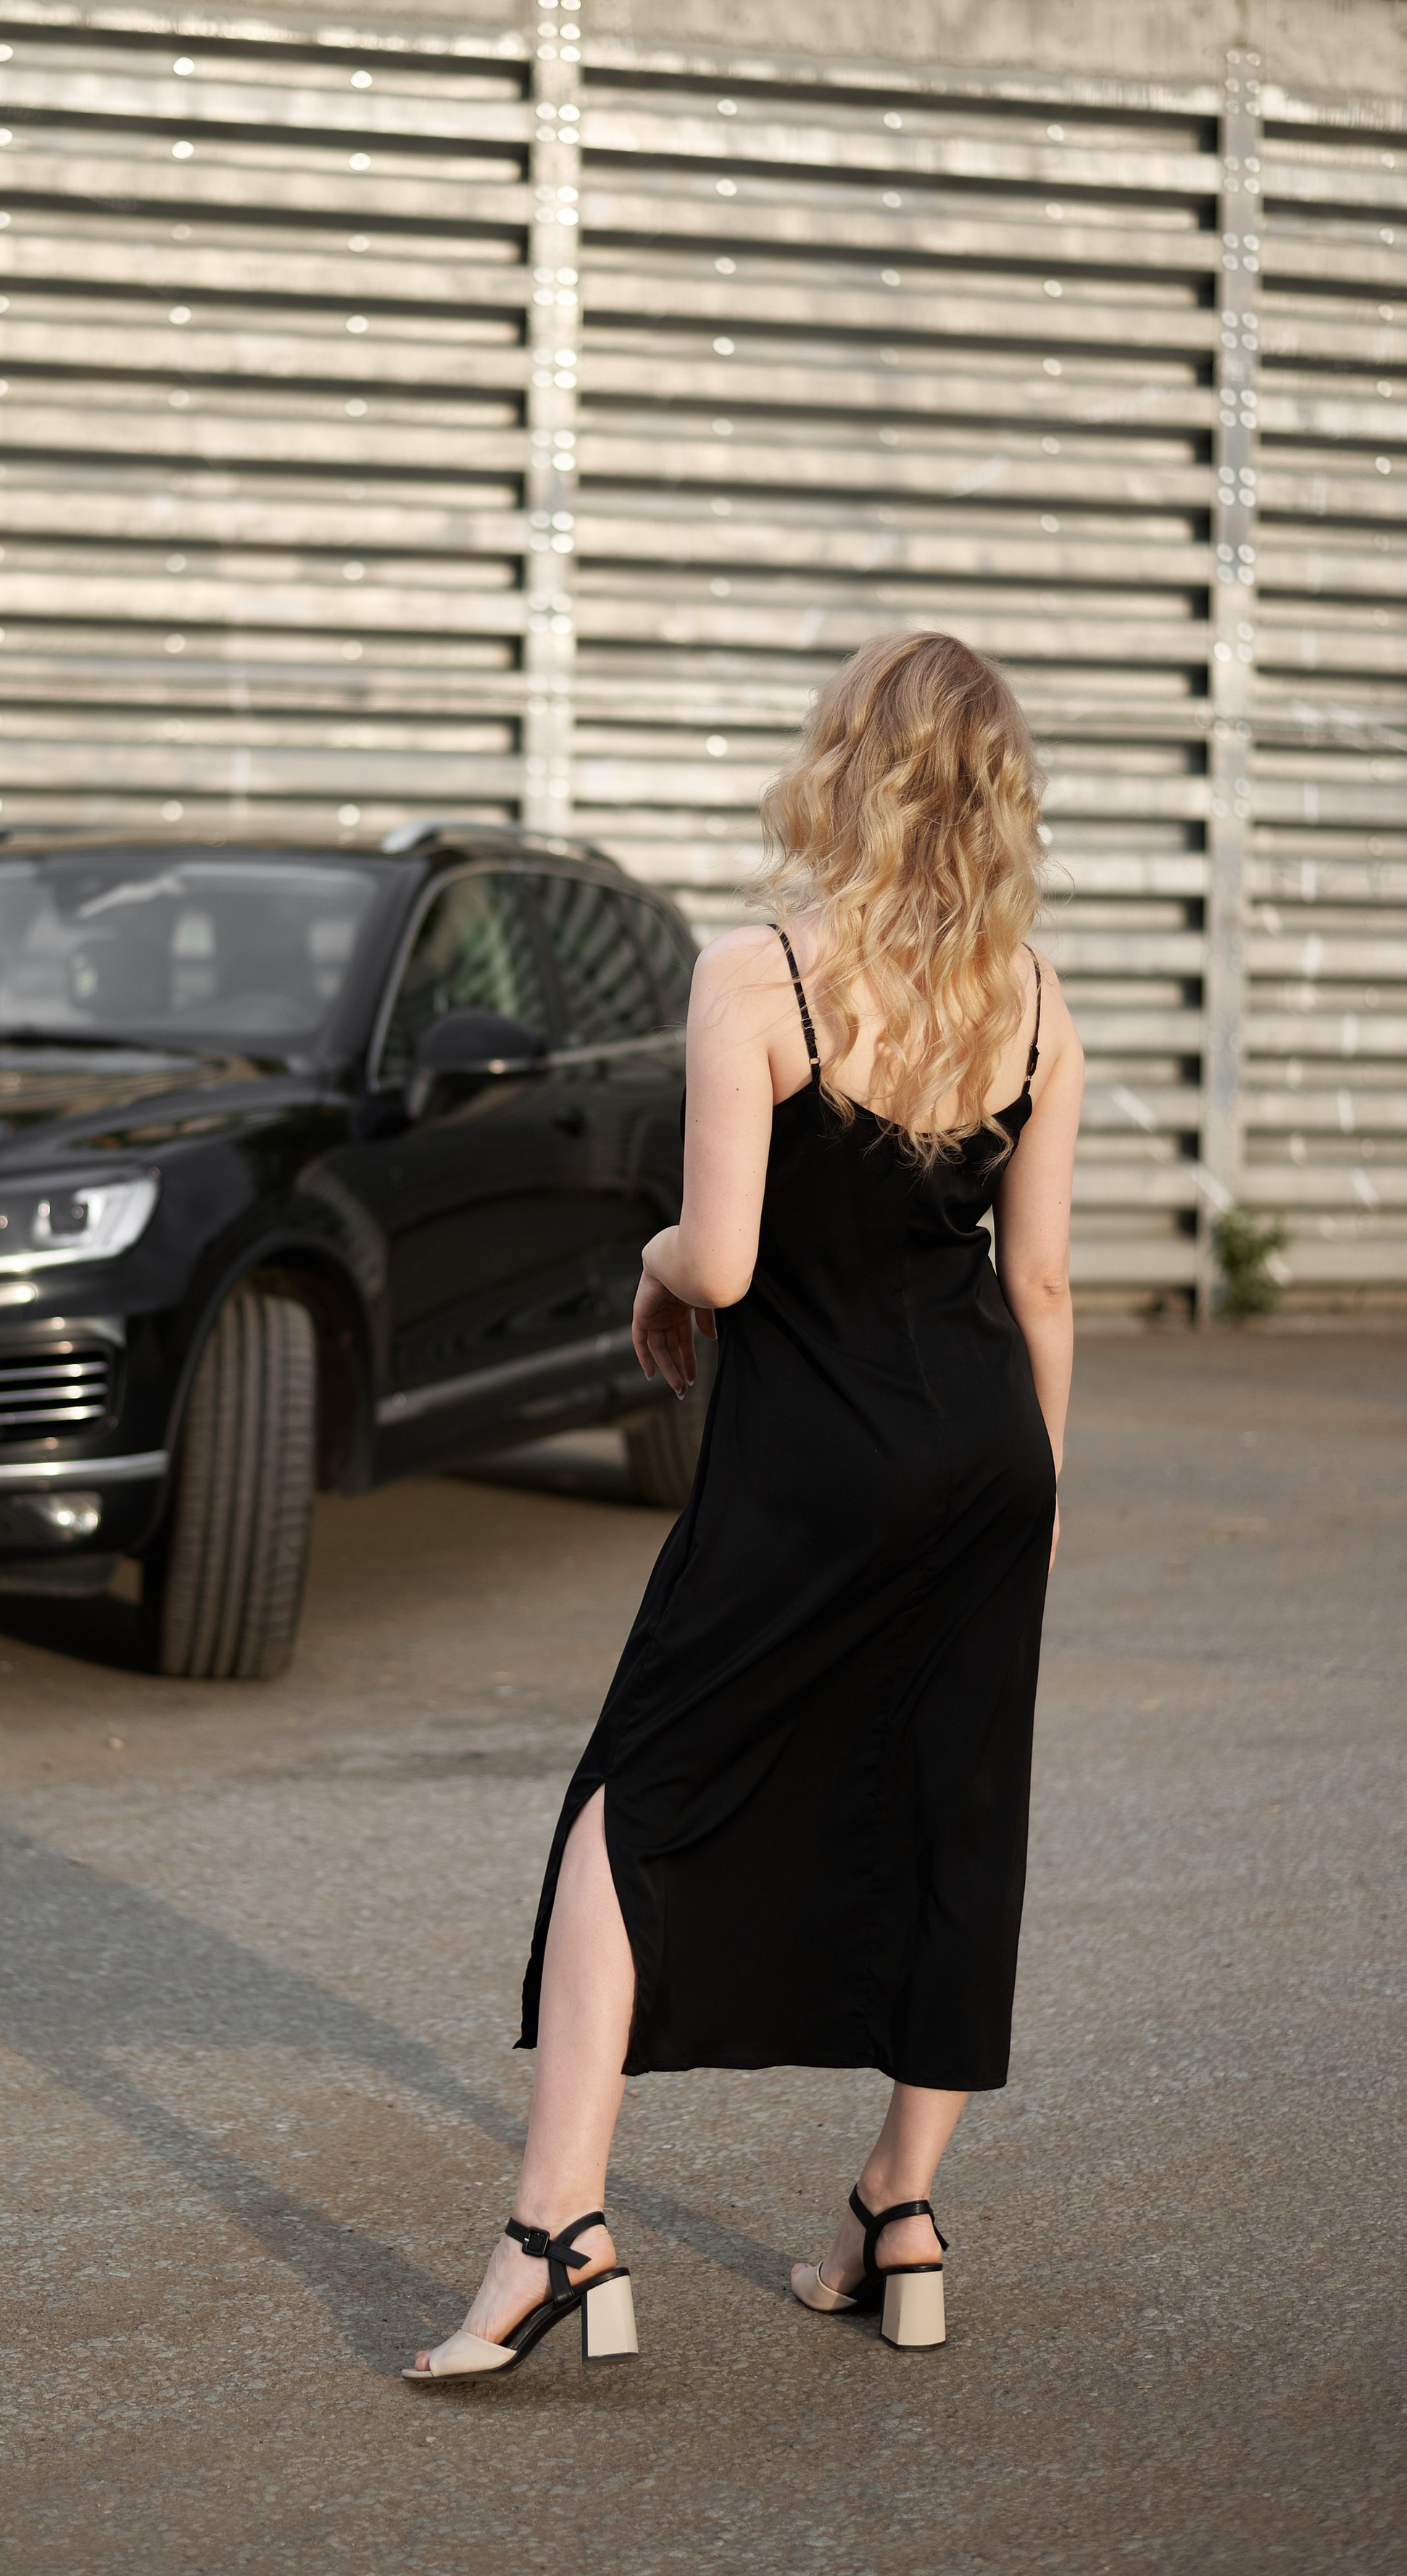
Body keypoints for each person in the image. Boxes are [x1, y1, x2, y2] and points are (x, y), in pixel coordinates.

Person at [407, 631, 1082, 2380]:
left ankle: (554, 2228)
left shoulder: (759, 979)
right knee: (957, 1809)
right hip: (985, 1461)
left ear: (843, 767)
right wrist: (1042, 1502)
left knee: (633, 1805)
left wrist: (649, 1263)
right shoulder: (1032, 999)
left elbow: (719, 1257)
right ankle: (900, 2213)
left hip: (808, 1472)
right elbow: (1045, 1289)